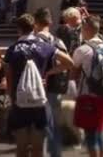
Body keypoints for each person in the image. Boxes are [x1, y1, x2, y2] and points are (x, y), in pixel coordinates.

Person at [5, 14, 73, 157]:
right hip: (40, 101)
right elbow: (69, 63)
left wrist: (11, 98)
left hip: (20, 101)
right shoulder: (45, 47)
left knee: (21, 148)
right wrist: (48, 72)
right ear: (34, 27)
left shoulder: (12, 50)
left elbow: (9, 78)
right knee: (38, 148)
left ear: (19, 29)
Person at [72, 15, 103, 157]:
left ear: (87, 29)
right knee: (99, 129)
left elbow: (74, 73)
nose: (81, 32)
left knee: (90, 132)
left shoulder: (82, 49)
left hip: (87, 94)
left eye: (83, 29)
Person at [32, 8, 71, 157]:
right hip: (56, 87)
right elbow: (69, 63)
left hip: (39, 88)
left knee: (40, 126)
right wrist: (53, 71)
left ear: (35, 23)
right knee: (54, 124)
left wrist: (46, 72)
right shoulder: (57, 41)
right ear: (50, 22)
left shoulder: (35, 42)